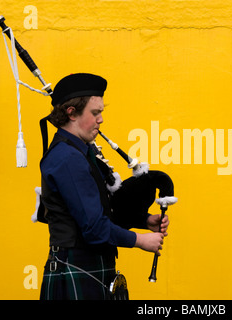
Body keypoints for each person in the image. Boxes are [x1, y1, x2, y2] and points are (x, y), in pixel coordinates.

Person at [39, 73, 169, 300]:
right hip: (77, 266)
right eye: (95, 113)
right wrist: (139, 240)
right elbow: (94, 227)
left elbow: (101, 209)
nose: (101, 119)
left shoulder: (81, 151)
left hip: (88, 267)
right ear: (71, 113)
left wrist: (144, 220)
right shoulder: (67, 157)